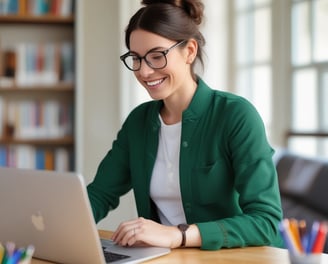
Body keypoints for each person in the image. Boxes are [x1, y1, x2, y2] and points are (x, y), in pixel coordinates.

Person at [87, 0, 283, 250]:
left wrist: (177, 235)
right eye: (135, 58)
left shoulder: (236, 115)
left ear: (189, 51)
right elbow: (100, 194)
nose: (144, 72)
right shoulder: (138, 122)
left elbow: (265, 221)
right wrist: (53, 228)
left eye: (157, 56)